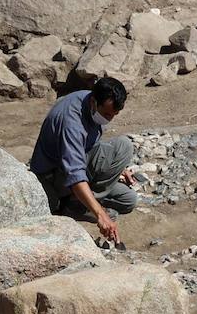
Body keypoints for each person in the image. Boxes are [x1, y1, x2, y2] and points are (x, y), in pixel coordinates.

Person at [29, 76, 138, 243]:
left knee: (128, 199)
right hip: (54, 176)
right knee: (123, 147)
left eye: (114, 114)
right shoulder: (72, 123)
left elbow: (90, 145)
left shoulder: (92, 101)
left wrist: (118, 168)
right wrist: (101, 215)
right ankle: (74, 205)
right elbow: (74, 174)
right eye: (107, 114)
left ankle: (81, 200)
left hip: (78, 164)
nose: (109, 119)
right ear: (94, 102)